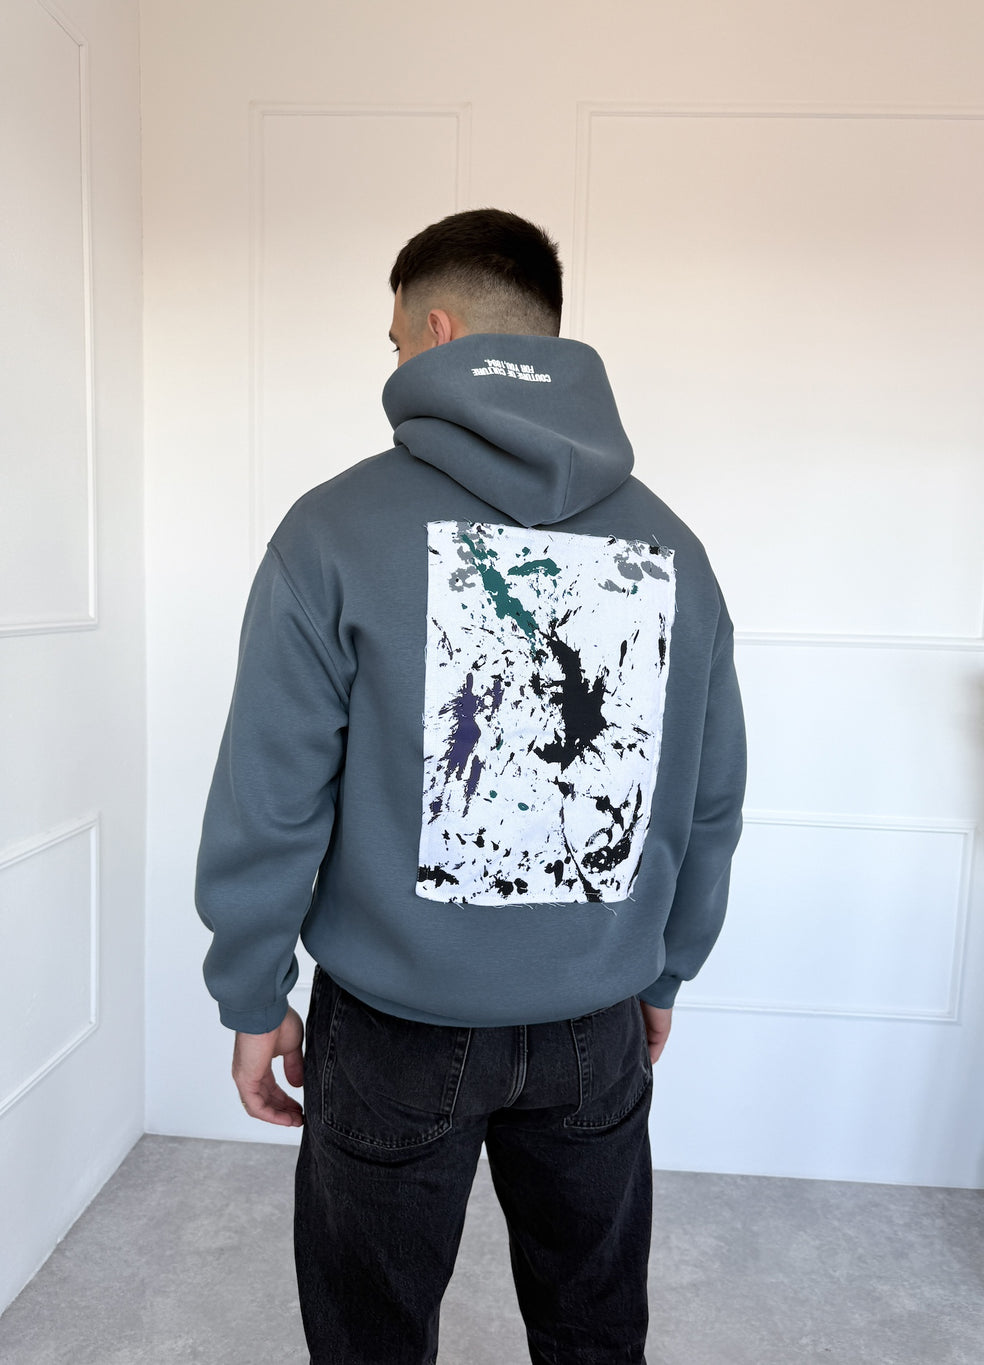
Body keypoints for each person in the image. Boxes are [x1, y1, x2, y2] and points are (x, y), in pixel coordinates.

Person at [196, 208, 746, 1365]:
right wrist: (665, 973)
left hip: (395, 1028)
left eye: (394, 340)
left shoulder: (331, 532)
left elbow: (272, 796)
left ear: (436, 332)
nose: (393, 360)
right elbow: (706, 798)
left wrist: (252, 994)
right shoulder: (675, 550)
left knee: (371, 1335)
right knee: (593, 1325)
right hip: (596, 1018)